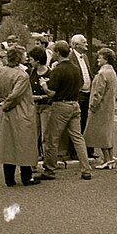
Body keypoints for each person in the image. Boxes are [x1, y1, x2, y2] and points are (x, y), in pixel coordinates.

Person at [0, 46, 41, 186]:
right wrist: (5, 104)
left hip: (6, 113)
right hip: (22, 111)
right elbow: (16, 95)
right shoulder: (22, 75)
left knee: (8, 144)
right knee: (25, 143)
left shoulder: (0, 71)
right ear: (20, 58)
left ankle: (9, 178)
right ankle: (27, 177)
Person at [36, 40, 93, 181]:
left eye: (54, 52)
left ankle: (50, 170)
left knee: (52, 139)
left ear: (58, 53)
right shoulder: (75, 68)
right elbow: (81, 85)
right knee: (78, 138)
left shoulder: (57, 70)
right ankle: (86, 169)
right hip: (75, 104)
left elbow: (51, 93)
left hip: (60, 106)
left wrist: (43, 85)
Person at [84, 48, 117, 169]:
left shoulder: (102, 73)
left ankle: (107, 160)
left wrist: (93, 105)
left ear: (106, 59)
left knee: (102, 134)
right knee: (108, 133)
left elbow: (98, 92)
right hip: (109, 107)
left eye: (100, 57)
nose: (98, 59)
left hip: (100, 108)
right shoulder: (112, 72)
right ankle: (110, 159)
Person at [69, 34, 97, 159]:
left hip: (87, 93)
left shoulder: (85, 57)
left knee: (87, 121)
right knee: (76, 123)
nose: (87, 44)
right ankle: (75, 151)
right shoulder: (70, 57)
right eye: (84, 42)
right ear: (75, 45)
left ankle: (88, 149)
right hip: (78, 94)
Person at [27, 46, 51, 160]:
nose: (29, 61)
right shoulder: (31, 72)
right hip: (34, 106)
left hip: (46, 106)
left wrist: (40, 97)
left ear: (37, 60)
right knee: (34, 133)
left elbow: (54, 93)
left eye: (31, 59)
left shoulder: (51, 74)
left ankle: (47, 159)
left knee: (45, 135)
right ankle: (35, 156)